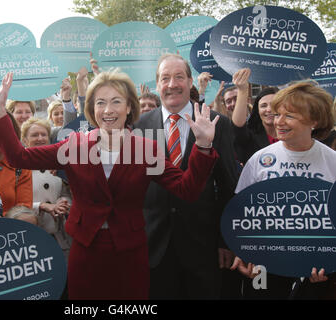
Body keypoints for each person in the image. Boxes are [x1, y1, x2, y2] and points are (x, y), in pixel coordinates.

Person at [0, 70, 219, 300]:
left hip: (130, 251)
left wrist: (203, 146)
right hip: (86, 249)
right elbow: (20, 158)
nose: (108, 110)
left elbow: (186, 189)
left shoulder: (147, 150)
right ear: (92, 109)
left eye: (116, 101)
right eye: (100, 103)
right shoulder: (73, 147)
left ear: (128, 107)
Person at [134, 53, 240, 299]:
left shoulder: (216, 122)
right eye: (165, 78)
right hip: (152, 247)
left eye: (179, 77)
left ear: (191, 81)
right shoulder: (138, 127)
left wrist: (225, 240)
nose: (172, 84)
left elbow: (227, 184)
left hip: (202, 246)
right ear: (157, 84)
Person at [231, 81, 336, 299]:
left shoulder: (331, 161)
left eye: (289, 116)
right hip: (263, 267)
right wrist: (243, 252)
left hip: (313, 269)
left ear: (314, 121)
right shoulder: (260, 160)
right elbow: (242, 213)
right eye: (278, 114)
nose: (278, 121)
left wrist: (328, 260)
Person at [21, 117, 72, 262]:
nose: (40, 138)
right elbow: (14, 203)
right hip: (32, 237)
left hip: (61, 237)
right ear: (25, 140)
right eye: (34, 135)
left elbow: (65, 192)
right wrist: (41, 207)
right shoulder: (17, 168)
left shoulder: (58, 164)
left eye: (43, 134)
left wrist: (63, 203)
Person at [0, 110, 33, 215]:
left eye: (6, 128)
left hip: (7, 228)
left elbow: (23, 211)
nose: (1, 134)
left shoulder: (20, 167)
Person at [231, 68, 279, 165]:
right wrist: (243, 90)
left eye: (274, 104)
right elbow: (238, 127)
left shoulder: (294, 135)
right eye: (263, 106)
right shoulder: (251, 136)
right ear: (257, 110)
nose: (269, 109)